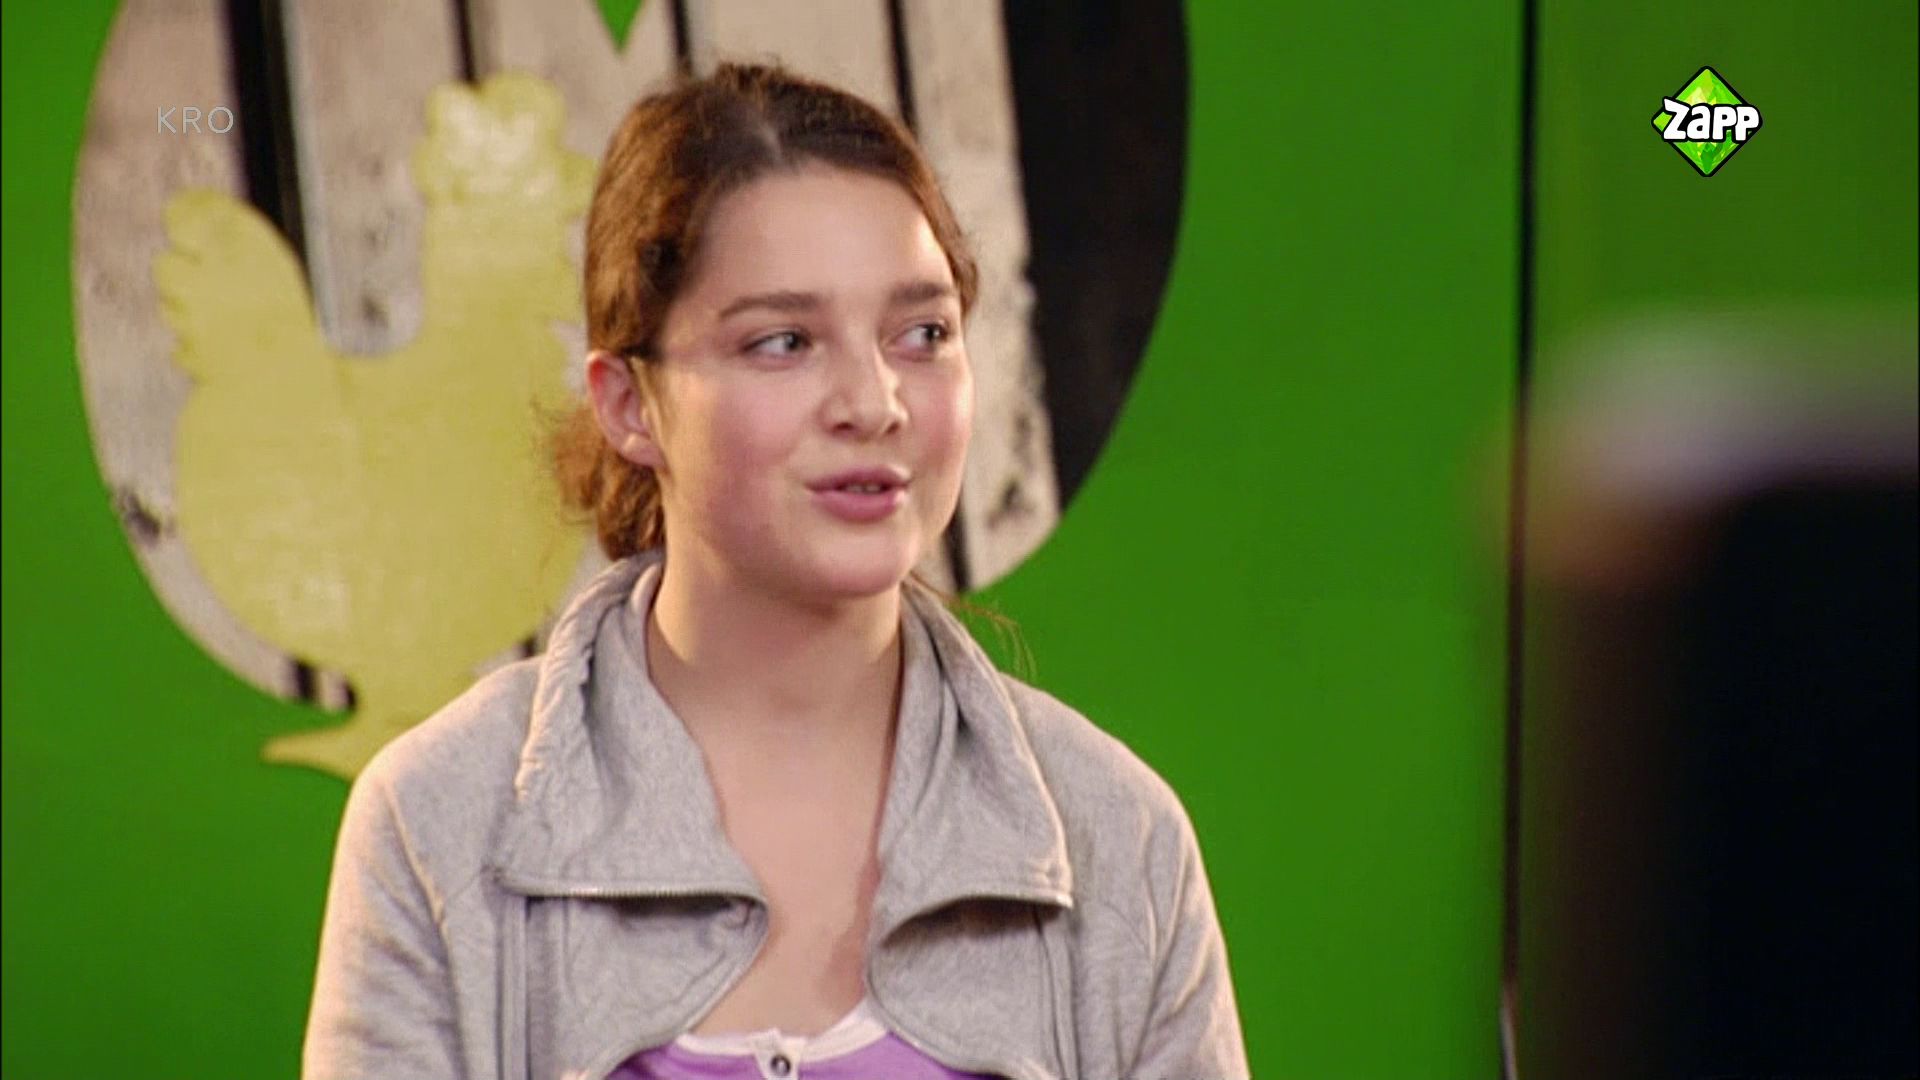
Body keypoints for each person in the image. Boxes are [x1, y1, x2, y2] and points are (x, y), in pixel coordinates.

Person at [302, 61, 1249, 1080]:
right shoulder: (440, 820)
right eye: (785, 342)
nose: (874, 403)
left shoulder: (1116, 837)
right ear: (628, 405)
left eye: (923, 334)